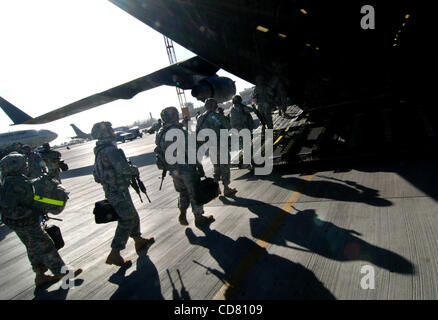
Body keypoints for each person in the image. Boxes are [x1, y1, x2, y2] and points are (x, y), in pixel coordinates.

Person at [0, 152, 81, 287]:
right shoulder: (16, 183)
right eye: (23, 164)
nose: (26, 166)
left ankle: (40, 275)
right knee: (46, 245)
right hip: (26, 222)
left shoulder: (9, 182)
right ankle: (62, 271)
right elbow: (23, 201)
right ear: (15, 166)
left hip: (17, 223)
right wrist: (34, 211)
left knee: (32, 247)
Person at [91, 121, 155, 266]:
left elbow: (96, 175)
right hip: (118, 192)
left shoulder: (99, 152)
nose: (113, 132)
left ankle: (138, 240)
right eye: (110, 130)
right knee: (127, 219)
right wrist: (133, 169)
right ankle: (115, 253)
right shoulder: (110, 150)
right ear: (105, 133)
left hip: (113, 191)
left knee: (132, 214)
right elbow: (124, 169)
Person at [155, 107, 214, 227]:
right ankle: (199, 217)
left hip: (173, 170)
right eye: (176, 115)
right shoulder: (180, 132)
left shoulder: (160, 133)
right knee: (194, 192)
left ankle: (182, 213)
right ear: (174, 117)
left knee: (183, 192)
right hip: (186, 168)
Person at [196, 98, 237, 197]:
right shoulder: (217, 116)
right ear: (215, 106)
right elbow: (228, 127)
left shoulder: (200, 118)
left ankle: (217, 189)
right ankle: (226, 189)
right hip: (221, 145)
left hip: (210, 146)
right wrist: (223, 117)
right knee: (225, 167)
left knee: (216, 167)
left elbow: (198, 132)